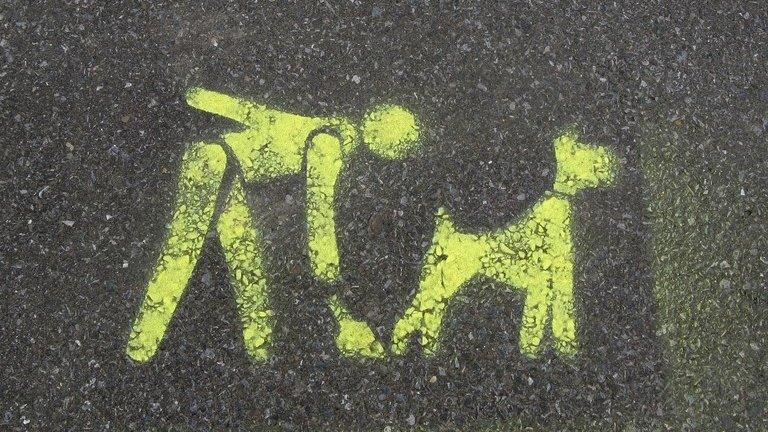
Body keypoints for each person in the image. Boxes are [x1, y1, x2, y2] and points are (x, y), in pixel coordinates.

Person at [127, 87, 420, 362]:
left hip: (229, 168)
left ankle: (258, 355)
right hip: (217, 164)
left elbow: (253, 113)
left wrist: (200, 96)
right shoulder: (329, 143)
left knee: (246, 269)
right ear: (385, 151)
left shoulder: (327, 126)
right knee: (182, 254)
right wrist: (334, 293)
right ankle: (142, 347)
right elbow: (320, 221)